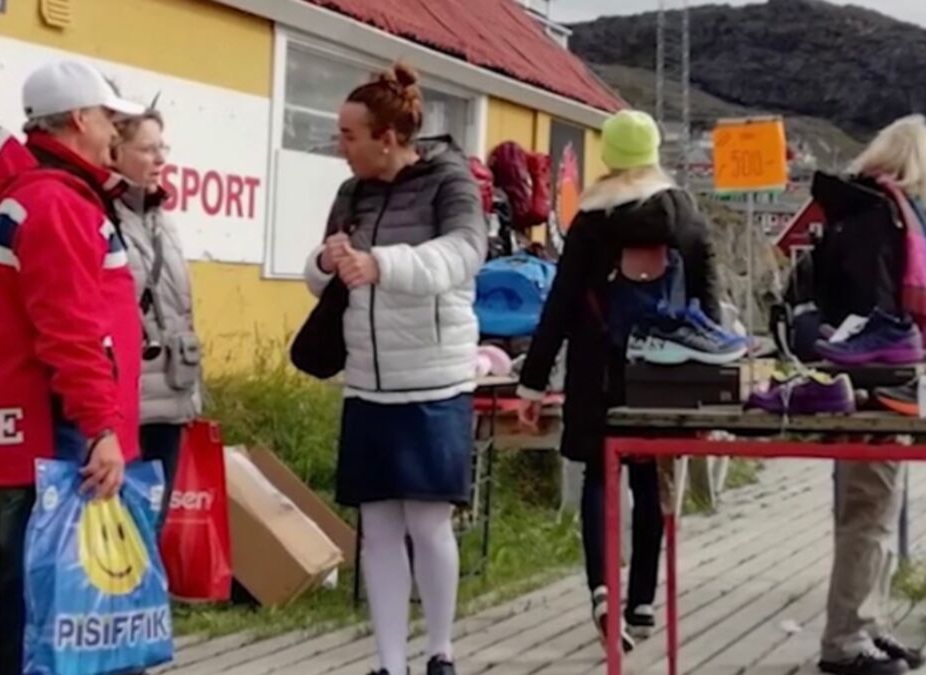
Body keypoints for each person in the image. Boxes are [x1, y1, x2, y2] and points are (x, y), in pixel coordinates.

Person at [0, 60, 145, 674]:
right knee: (47, 604)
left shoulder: (36, 195)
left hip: (37, 429)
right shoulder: (56, 203)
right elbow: (71, 331)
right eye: (108, 119)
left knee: (31, 594)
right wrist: (100, 428)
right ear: (78, 119)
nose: (114, 132)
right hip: (57, 432)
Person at [304, 62, 485, 675]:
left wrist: (383, 264)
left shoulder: (448, 181)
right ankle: (388, 662)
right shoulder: (350, 193)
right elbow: (323, 276)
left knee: (428, 522)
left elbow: (464, 254)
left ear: (387, 137)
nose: (340, 145)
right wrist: (325, 261)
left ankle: (440, 650)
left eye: (350, 135)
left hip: (434, 379)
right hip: (367, 382)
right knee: (376, 526)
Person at [516, 110, 720, 652]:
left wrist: (531, 385)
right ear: (654, 156)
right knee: (652, 480)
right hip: (664, 373)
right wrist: (710, 389)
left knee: (599, 479)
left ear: (608, 157)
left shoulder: (590, 222)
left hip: (596, 370)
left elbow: (558, 307)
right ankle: (645, 601)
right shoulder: (687, 219)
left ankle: (604, 589)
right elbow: (710, 312)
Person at [811, 115, 926, 675]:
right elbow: (879, 315)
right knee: (868, 509)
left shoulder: (853, 212)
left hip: (852, 382)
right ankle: (848, 638)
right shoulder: (882, 221)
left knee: (874, 507)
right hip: (876, 387)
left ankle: (870, 625)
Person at [111, 107, 201, 527]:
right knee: (118, 522)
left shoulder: (162, 219)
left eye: (161, 147)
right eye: (147, 149)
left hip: (170, 389)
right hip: (126, 396)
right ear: (114, 152)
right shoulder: (102, 215)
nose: (160, 159)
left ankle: (145, 591)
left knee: (151, 517)